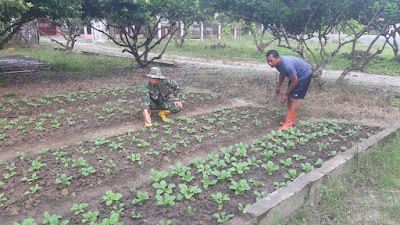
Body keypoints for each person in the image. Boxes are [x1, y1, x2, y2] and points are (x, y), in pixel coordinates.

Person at [266, 50, 312, 131]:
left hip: (304, 75)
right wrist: (278, 87)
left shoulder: (287, 65)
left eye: (271, 61)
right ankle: (289, 121)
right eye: (268, 61)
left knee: (293, 98)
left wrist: (286, 94)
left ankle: (289, 124)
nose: (269, 63)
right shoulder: (277, 64)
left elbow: (295, 81)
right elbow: (282, 73)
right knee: (290, 96)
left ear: (277, 58)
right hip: (296, 75)